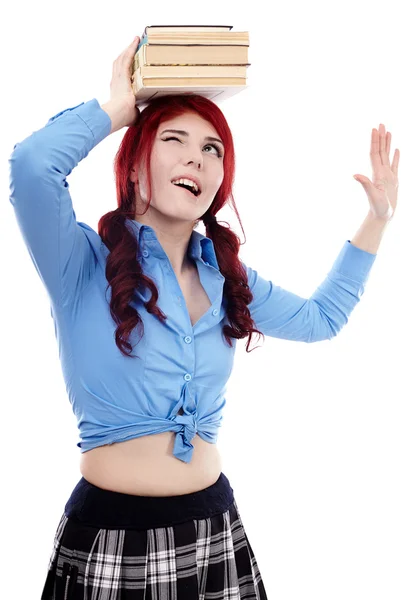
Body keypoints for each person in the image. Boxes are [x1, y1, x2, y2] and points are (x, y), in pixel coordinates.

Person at [8, 36, 399, 600]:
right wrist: (119, 109)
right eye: (175, 140)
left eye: (214, 149)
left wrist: (377, 220)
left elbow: (321, 319)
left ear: (220, 182)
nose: (198, 157)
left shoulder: (227, 279)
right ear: (136, 165)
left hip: (215, 532)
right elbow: (32, 165)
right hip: (113, 542)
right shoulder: (80, 263)